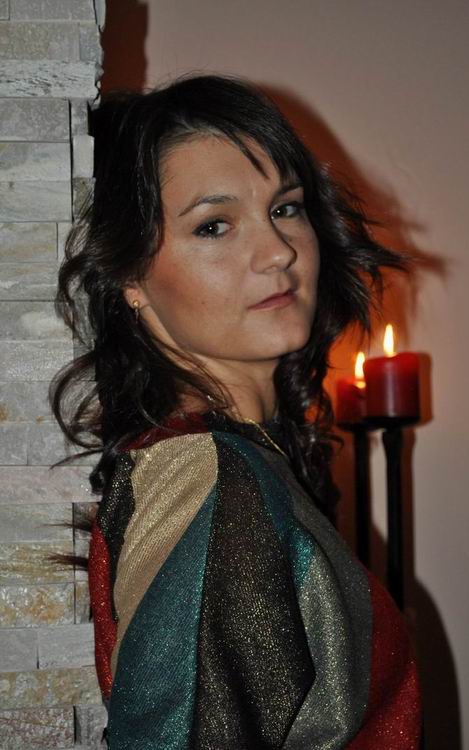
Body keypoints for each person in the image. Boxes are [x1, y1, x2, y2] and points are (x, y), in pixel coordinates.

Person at [50, 73, 422, 749]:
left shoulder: (237, 460)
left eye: (286, 208)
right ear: (132, 276)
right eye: (214, 225)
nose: (279, 251)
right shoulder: (209, 477)